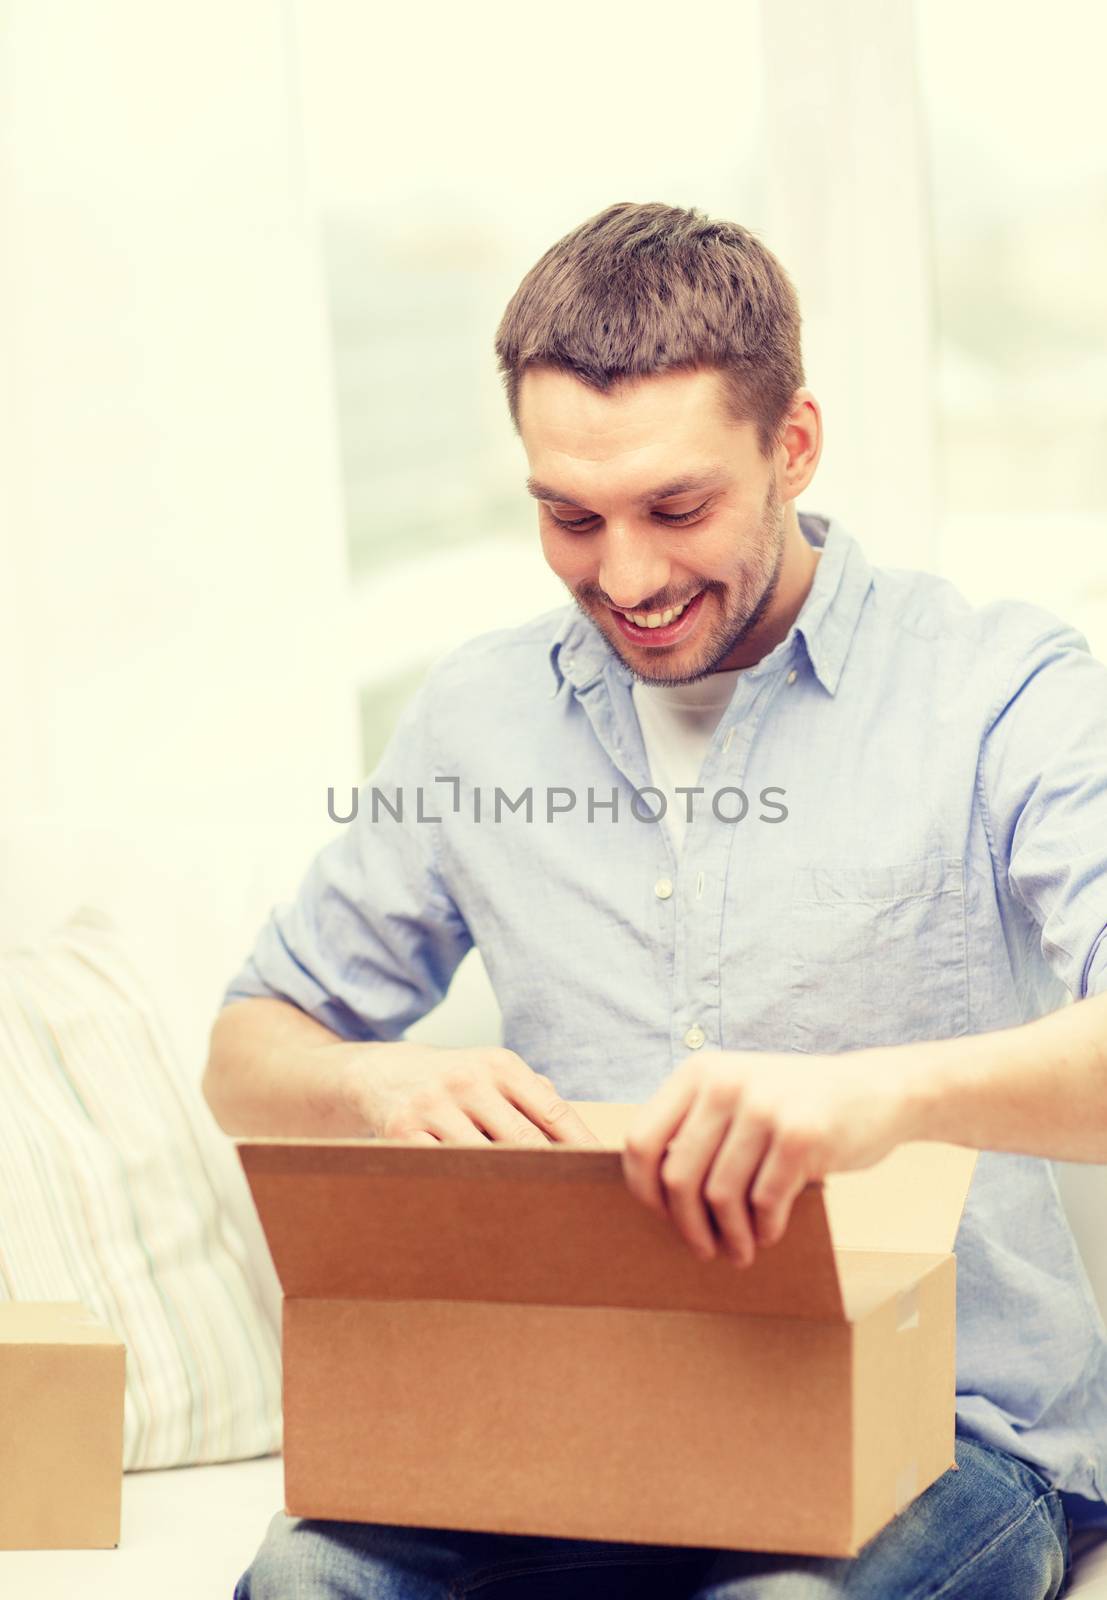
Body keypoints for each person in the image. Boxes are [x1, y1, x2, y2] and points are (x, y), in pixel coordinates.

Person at [206, 201, 1107, 1598]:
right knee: (300, 1582)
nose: (623, 578)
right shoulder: (480, 719)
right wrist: (379, 1091)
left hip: (946, 1434)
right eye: (571, 517)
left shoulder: (999, 689)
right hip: (579, 1420)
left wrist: (883, 1099)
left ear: (793, 445)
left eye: (677, 509)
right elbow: (248, 1051)